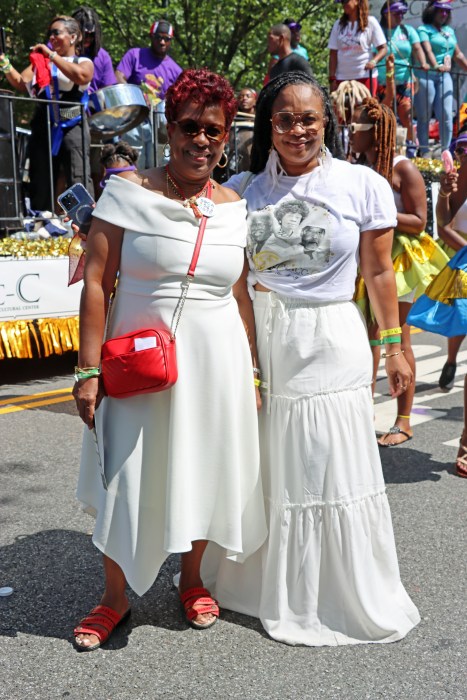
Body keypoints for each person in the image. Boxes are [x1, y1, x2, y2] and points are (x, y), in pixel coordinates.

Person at [201, 70, 420, 646]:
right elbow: (237, 282)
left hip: (332, 337)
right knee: (271, 460)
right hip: (265, 334)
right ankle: (265, 584)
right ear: (269, 125)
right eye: (285, 119)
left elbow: (378, 272)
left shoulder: (362, 185)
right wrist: (242, 358)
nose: (297, 130)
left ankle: (337, 593)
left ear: (327, 124)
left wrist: (393, 346)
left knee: (329, 459)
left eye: (309, 119)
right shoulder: (246, 190)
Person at [72, 69, 267, 650]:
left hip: (217, 363)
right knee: (125, 474)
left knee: (204, 467)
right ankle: (114, 598)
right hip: (135, 363)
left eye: (214, 129)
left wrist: (252, 371)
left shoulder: (234, 207)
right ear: (169, 127)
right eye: (189, 127)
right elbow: (95, 282)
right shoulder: (127, 191)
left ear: (227, 135)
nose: (200, 140)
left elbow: (240, 294)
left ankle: (190, 579)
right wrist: (86, 370)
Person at [350, 97, 448, 446]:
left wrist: (378, 215)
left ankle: (404, 421)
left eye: (356, 127)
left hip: (400, 260)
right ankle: (362, 413)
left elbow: (420, 221)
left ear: (376, 133)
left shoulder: (402, 168)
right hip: (368, 258)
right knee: (368, 336)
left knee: (396, 335)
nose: (350, 132)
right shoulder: (356, 166)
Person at [0, 16, 94, 211]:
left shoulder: (82, 61)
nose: (51, 37)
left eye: (56, 32)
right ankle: (42, 220)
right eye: (50, 33)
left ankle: (82, 219)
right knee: (41, 175)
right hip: (44, 124)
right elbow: (20, 82)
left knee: (77, 175)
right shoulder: (41, 63)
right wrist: (3, 62)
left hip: (72, 124)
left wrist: (51, 56)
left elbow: (81, 75)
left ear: (73, 37)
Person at [116, 19, 182, 167]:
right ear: (151, 36)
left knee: (159, 163)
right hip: (135, 118)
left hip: (159, 123)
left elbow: (180, 97)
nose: (163, 42)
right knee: (133, 159)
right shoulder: (135, 55)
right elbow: (119, 75)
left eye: (167, 39)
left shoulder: (175, 70)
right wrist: (135, 96)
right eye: (159, 37)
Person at [72, 6, 117, 196]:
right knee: (67, 169)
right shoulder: (62, 52)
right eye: (84, 34)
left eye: (92, 35)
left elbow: (108, 91)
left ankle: (98, 208)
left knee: (98, 168)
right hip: (69, 118)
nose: (88, 39)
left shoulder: (102, 56)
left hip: (95, 121)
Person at [414, 0, 467, 155]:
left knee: (446, 115)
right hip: (426, 75)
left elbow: (458, 55)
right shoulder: (424, 29)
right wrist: (435, 65)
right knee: (424, 116)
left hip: (445, 76)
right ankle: (424, 153)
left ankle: (446, 152)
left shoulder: (449, 31)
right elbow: (427, 50)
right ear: (432, 11)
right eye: (440, 10)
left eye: (447, 11)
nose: (444, 14)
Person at [436, 129, 467, 389]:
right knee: (460, 315)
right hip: (460, 253)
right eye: (460, 149)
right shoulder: (455, 180)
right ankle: (451, 359)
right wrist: (444, 194)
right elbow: (443, 225)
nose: (464, 154)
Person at [376, 1, 429, 151]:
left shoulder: (408, 30)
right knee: (386, 115)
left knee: (406, 112)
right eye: (396, 13)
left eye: (402, 13)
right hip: (383, 81)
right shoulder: (379, 31)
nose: (401, 16)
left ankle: (412, 147)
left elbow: (417, 48)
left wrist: (423, 62)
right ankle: (387, 148)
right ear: (387, 14)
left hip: (405, 79)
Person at [328, 0, 387, 96]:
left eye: (346, 1)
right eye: (342, 2)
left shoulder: (370, 22)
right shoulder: (338, 24)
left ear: (357, 1)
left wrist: (373, 61)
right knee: (342, 110)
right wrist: (332, 79)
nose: (343, 4)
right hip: (342, 78)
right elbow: (333, 54)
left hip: (365, 76)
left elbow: (383, 48)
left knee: (365, 109)